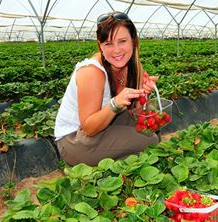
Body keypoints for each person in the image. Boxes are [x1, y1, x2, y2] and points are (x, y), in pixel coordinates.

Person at [54, 11, 159, 166]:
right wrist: (115, 103)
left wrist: (144, 93)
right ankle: (112, 170)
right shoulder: (92, 72)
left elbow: (138, 112)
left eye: (122, 41)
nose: (116, 50)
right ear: (100, 45)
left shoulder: (134, 66)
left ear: (133, 41)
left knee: (149, 127)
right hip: (75, 140)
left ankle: (121, 161)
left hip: (105, 124)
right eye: (108, 44)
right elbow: (88, 128)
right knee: (150, 140)